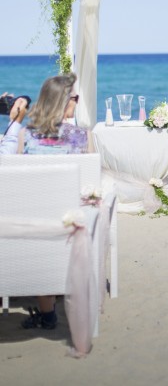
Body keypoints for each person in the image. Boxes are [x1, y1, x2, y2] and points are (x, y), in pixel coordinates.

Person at [17, 72, 94, 330]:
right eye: (75, 97)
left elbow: (19, 183)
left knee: (40, 217)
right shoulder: (82, 137)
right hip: (72, 222)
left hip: (35, 224)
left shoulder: (25, 137)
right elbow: (92, 184)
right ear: (64, 101)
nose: (77, 101)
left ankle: (47, 313)